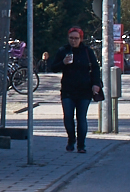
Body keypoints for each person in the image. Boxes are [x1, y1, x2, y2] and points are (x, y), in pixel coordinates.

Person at [40, 25, 104, 153]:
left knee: (81, 117)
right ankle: (71, 139)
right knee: (68, 117)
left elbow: (95, 68)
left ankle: (81, 145)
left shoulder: (87, 51)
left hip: (84, 89)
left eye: (76, 38)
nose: (73, 41)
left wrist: (96, 84)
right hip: (68, 89)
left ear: (81, 38)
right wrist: (63, 62)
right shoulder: (63, 50)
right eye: (71, 38)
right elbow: (53, 67)